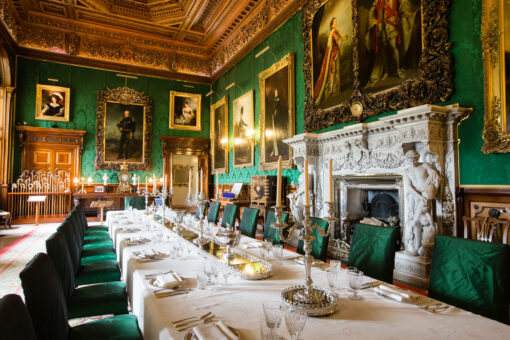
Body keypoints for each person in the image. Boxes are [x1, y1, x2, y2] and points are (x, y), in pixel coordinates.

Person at [403, 150, 441, 257]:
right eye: (410, 160)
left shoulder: (425, 165)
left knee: (416, 220)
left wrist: (432, 192)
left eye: (414, 159)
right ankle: (417, 246)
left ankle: (418, 247)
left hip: (427, 191)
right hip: (418, 195)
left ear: (418, 157)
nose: (413, 162)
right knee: (416, 222)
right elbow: (409, 187)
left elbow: (435, 176)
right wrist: (420, 196)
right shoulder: (406, 171)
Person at [365, 0, 405, 88]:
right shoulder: (377, 1)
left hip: (390, 24)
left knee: (394, 47)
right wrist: (373, 20)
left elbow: (400, 7)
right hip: (380, 27)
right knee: (383, 51)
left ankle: (398, 70)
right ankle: (386, 72)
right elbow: (371, 11)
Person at [313, 17, 348, 106]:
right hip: (334, 53)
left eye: (336, 22)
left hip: (335, 52)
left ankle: (335, 90)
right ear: (332, 24)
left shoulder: (334, 31)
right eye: (334, 22)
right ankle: (333, 90)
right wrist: (344, 38)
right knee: (334, 70)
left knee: (336, 70)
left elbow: (337, 40)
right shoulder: (333, 32)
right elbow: (337, 40)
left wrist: (342, 38)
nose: (335, 23)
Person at [269, 89, 285, 158]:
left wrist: (276, 113)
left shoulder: (279, 100)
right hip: (274, 118)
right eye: (275, 92)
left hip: (278, 119)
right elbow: (273, 109)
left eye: (276, 92)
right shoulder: (274, 100)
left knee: (278, 135)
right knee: (274, 135)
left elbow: (279, 108)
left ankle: (278, 151)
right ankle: (275, 150)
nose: (276, 93)